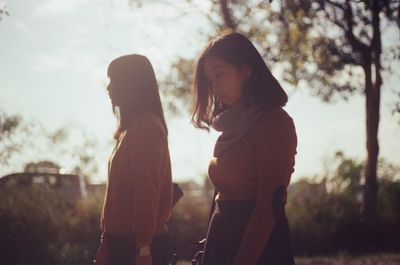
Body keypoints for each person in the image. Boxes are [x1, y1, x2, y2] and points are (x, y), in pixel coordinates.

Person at [191, 31, 297, 265]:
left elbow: (268, 207)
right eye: (210, 81)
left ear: (246, 71)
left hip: (258, 248)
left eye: (219, 75)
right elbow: (223, 193)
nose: (214, 87)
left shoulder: (274, 122)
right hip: (221, 240)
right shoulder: (231, 125)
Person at [94, 54, 173, 265]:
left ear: (131, 85)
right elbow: (115, 198)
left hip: (136, 245)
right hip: (122, 242)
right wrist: (105, 243)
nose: (108, 88)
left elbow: (146, 192)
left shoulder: (145, 128)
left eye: (114, 80)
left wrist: (144, 248)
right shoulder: (130, 130)